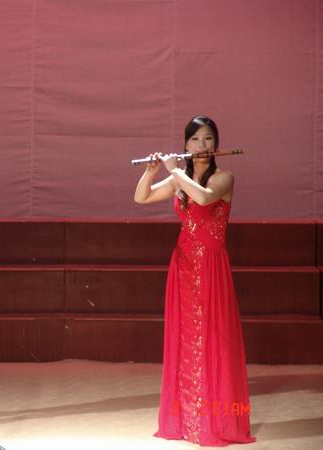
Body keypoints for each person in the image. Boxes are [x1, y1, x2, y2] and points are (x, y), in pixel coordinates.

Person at [134, 115, 255, 446]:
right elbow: (141, 197)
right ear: (185, 144)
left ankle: (214, 422)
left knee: (214, 339)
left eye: (208, 139)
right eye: (195, 140)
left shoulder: (224, 177)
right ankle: (187, 420)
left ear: (216, 143)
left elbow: (202, 198)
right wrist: (152, 171)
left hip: (211, 267)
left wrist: (175, 172)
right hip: (184, 266)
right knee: (186, 340)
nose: (202, 145)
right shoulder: (180, 177)